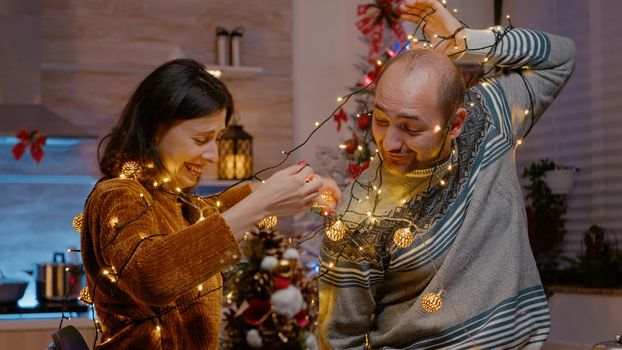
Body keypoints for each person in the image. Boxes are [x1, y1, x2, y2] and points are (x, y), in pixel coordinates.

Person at [318, 0, 575, 349]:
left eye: (410, 127)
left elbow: (561, 55)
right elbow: (338, 339)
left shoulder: (489, 121)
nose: (389, 142)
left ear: (455, 123)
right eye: (380, 120)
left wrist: (467, 39)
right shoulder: (358, 214)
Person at [80, 58, 339, 349]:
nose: (213, 156)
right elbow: (152, 276)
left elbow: (210, 213)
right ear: (154, 129)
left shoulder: (170, 198)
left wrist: (286, 190)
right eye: (201, 139)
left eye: (217, 139)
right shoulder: (117, 194)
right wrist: (264, 202)